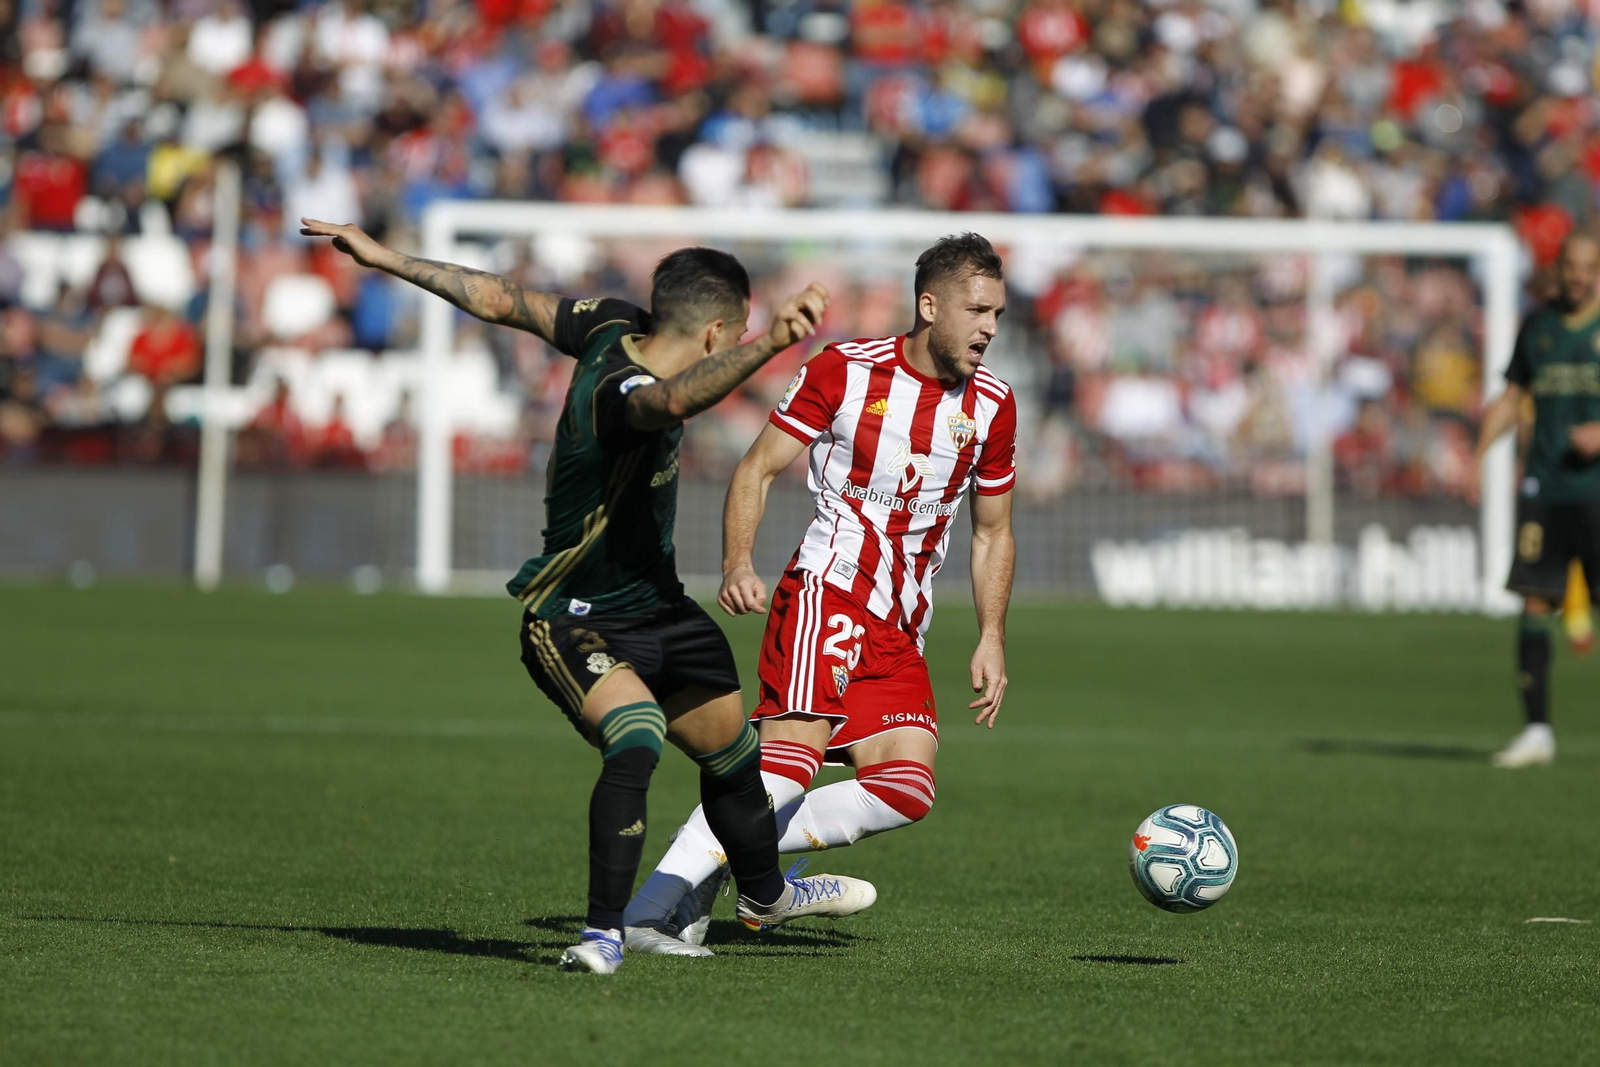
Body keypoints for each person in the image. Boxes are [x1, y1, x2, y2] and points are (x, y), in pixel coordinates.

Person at [300, 216, 872, 972]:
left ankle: (766, 895)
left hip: (659, 607)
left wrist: (385, 257)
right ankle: (603, 934)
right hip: (573, 617)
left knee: (735, 758)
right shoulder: (622, 390)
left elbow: (500, 299)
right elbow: (667, 404)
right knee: (636, 736)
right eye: (734, 335)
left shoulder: (609, 321)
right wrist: (769, 344)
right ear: (716, 335)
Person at [624, 233, 1018, 955]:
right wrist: (737, 562)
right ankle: (648, 913)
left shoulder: (993, 404)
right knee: (784, 769)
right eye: (977, 310)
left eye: (997, 312)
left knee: (905, 789)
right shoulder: (844, 369)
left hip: (901, 628)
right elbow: (757, 467)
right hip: (828, 592)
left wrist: (991, 634)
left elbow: (993, 531)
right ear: (930, 306)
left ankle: (738, 856)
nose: (990, 326)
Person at [1473, 232, 1600, 768]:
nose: (1578, 276)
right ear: (1558, 269)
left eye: (1589, 267)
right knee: (1534, 602)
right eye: (1571, 265)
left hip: (1596, 492)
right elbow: (1512, 398)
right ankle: (1536, 731)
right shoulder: (1539, 327)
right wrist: (1478, 456)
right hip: (1545, 488)